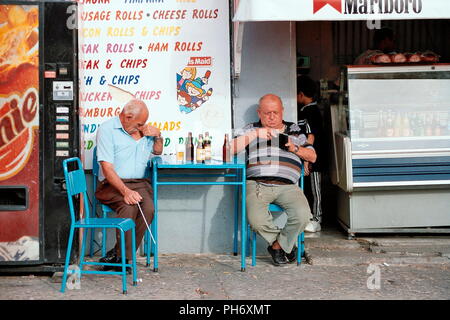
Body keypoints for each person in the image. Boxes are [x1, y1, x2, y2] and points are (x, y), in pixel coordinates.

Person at [231, 94, 316, 266]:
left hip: (288, 186)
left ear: (282, 112)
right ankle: (286, 246)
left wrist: (294, 148)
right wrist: (256, 134)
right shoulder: (251, 128)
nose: (271, 117)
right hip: (257, 184)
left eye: (275, 113)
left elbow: (312, 156)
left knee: (303, 216)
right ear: (259, 113)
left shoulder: (294, 130)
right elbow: (229, 149)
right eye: (267, 113)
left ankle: (277, 246)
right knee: (256, 219)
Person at [94, 99, 163, 272]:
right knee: (129, 206)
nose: (142, 127)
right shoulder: (107, 129)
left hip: (139, 183)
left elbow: (158, 151)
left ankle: (117, 254)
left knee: (148, 209)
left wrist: (158, 135)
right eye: (139, 123)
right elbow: (107, 168)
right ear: (127, 116)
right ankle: (124, 259)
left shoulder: (143, 130)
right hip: (112, 183)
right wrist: (125, 191)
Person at [297, 75, 326, 233]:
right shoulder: (307, 110)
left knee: (316, 189)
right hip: (311, 157)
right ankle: (311, 216)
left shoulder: (311, 111)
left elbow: (311, 136)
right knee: (310, 188)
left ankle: (317, 218)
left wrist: (307, 160)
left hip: (315, 158)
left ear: (301, 94)